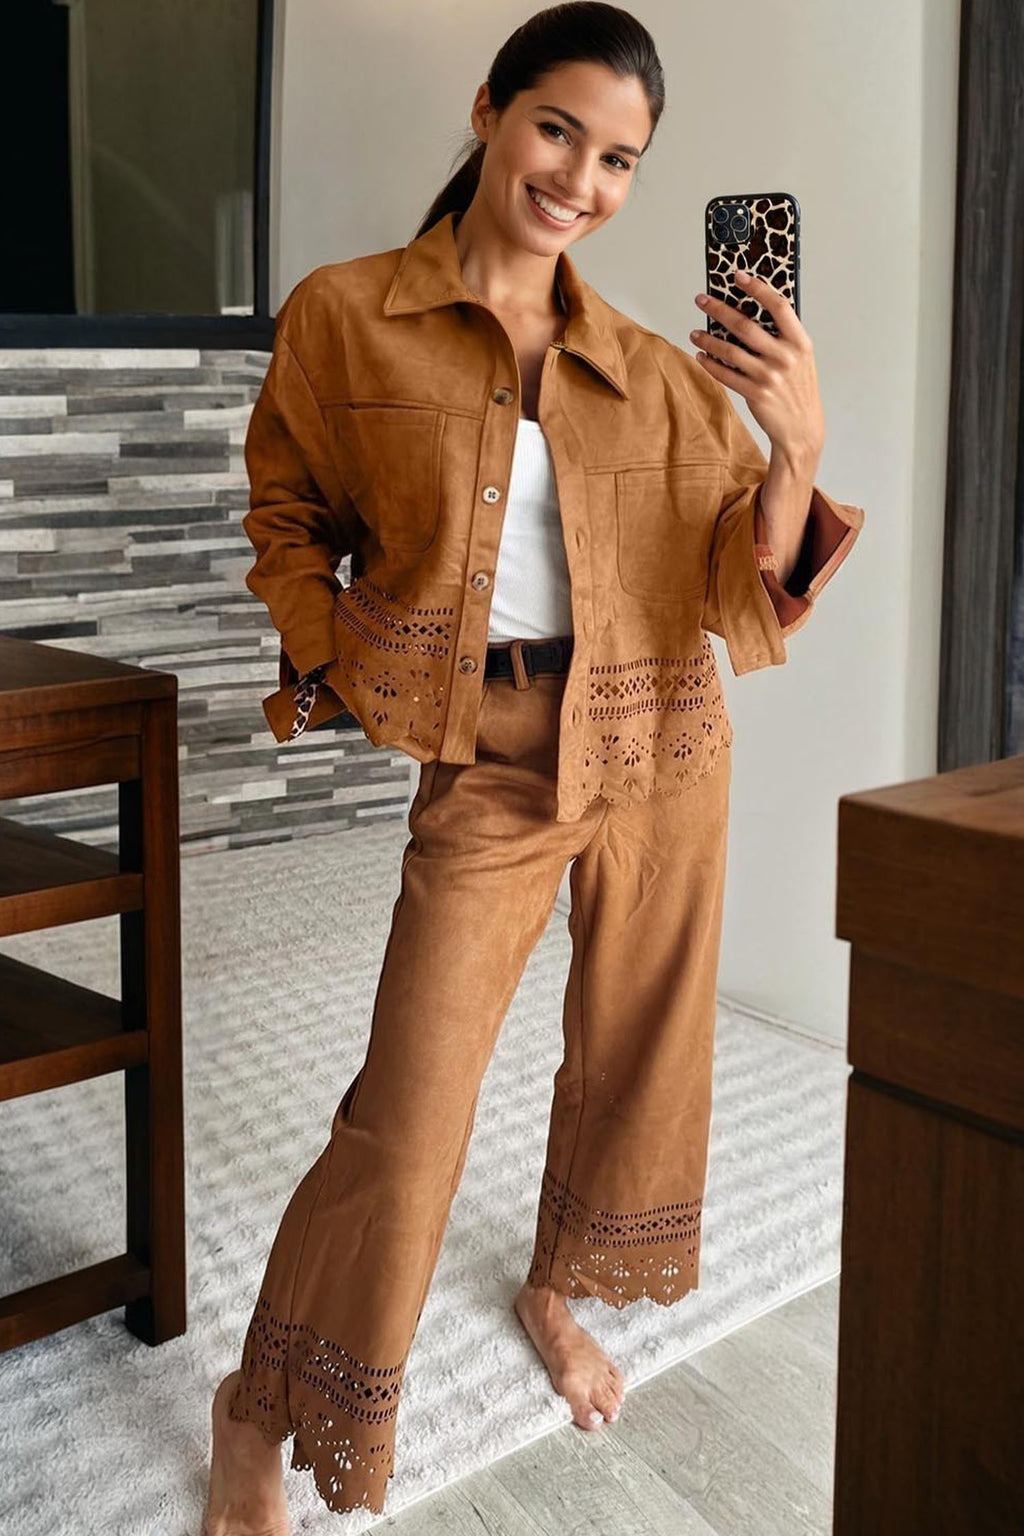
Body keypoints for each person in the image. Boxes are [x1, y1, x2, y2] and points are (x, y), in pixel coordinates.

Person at [200, 4, 864, 1530]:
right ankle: (262, 1411)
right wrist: (337, 649)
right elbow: (285, 513)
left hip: (664, 737)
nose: (582, 177)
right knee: (412, 1106)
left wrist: (799, 451)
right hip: (494, 753)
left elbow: (732, 589)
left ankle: (559, 1290)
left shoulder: (653, 367)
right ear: (493, 106)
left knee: (638, 1062)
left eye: (622, 157)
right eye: (559, 128)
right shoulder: (345, 316)